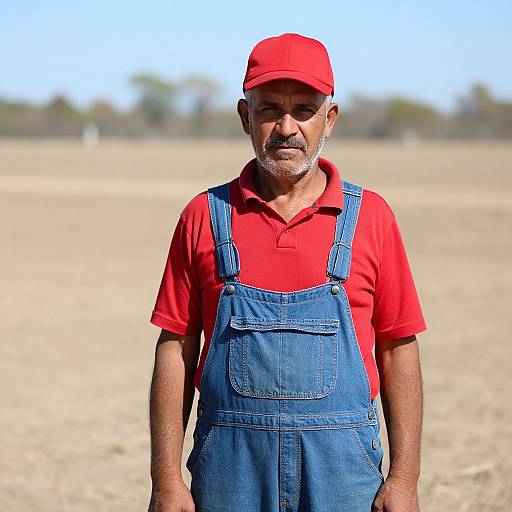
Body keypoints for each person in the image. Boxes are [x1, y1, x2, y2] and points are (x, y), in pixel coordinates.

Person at [147, 32, 426, 512]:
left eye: (304, 109)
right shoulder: (203, 216)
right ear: (244, 116)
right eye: (269, 108)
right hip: (228, 471)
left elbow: (398, 349)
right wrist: (166, 480)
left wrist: (404, 479)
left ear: (329, 119)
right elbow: (176, 347)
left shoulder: (372, 218)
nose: (286, 127)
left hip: (342, 473)